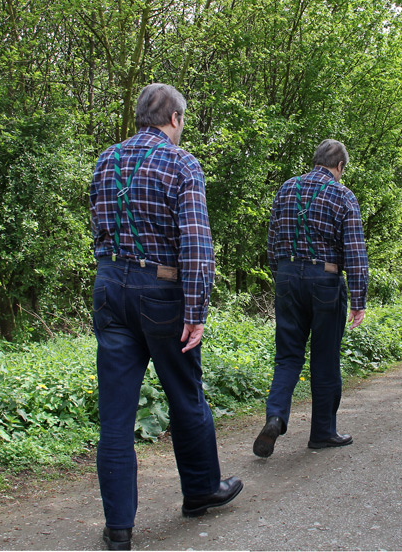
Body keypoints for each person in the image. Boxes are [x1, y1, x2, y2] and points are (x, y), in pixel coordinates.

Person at [89, 83, 242, 551]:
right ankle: (199, 491)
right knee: (185, 394)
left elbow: (98, 227)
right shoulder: (180, 163)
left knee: (115, 417)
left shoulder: (104, 161)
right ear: (174, 119)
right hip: (162, 292)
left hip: (109, 286)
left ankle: (119, 529)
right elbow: (196, 243)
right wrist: (196, 310)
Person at [253, 139, 369, 458]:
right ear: (340, 166)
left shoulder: (287, 188)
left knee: (288, 356)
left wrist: (283, 277)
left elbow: (273, 239)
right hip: (325, 280)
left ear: (316, 160)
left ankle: (276, 416)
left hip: (288, 277)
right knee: (325, 358)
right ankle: (322, 432)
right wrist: (358, 299)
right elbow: (355, 253)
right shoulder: (343, 195)